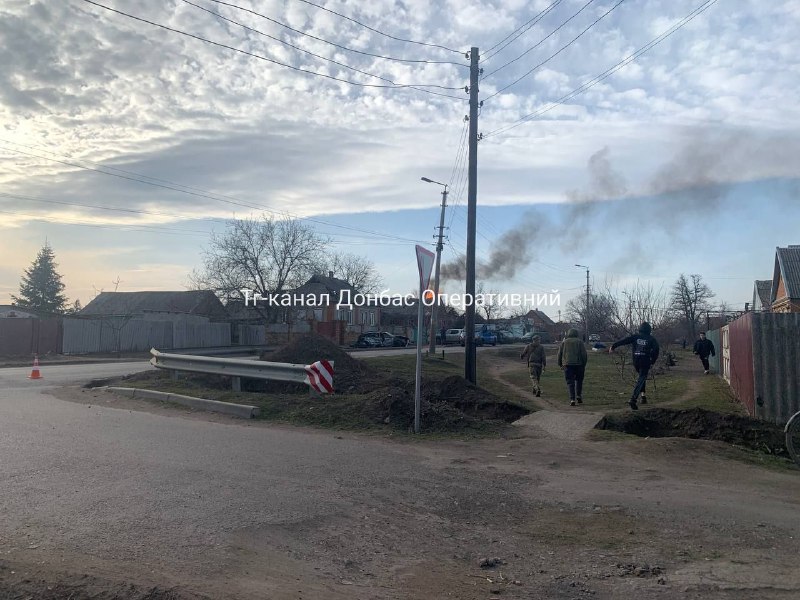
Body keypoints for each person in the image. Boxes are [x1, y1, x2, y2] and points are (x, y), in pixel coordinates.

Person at [609, 322, 660, 410]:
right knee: (641, 378)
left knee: (642, 377)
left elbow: (624, 341)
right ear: (649, 330)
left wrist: (613, 346)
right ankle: (633, 399)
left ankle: (643, 396)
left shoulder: (635, 337)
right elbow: (656, 349)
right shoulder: (651, 339)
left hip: (636, 361)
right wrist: (653, 360)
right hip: (645, 361)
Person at [557, 328, 587, 406]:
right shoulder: (580, 342)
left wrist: (560, 364)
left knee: (570, 382)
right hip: (579, 364)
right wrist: (584, 364)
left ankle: (572, 399)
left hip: (567, 365)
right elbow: (584, 354)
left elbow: (559, 354)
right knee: (579, 381)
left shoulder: (564, 342)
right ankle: (578, 395)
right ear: (576, 334)